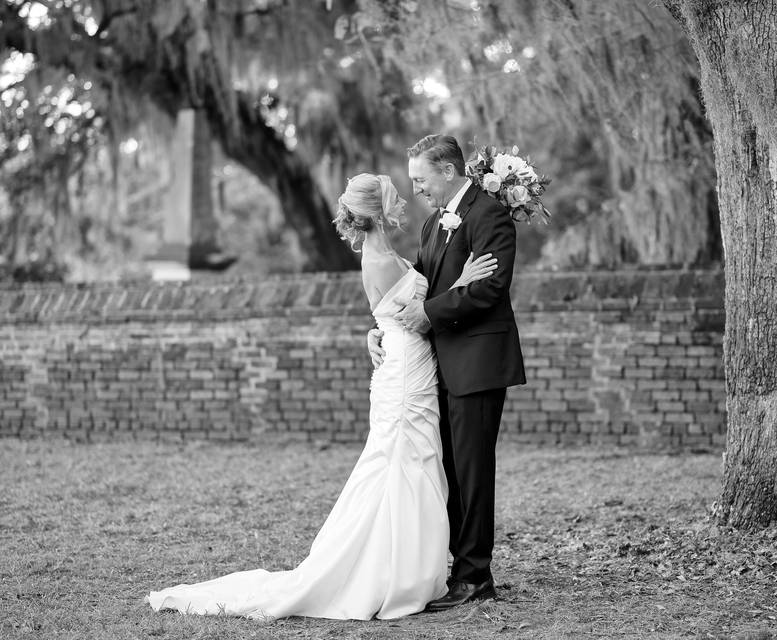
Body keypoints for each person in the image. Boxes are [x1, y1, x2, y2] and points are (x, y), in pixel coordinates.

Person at [146, 173, 497, 620]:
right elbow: (414, 315)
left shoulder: (387, 255)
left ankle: (414, 567)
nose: (402, 200)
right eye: (392, 195)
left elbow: (395, 312)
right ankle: (390, 572)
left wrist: (377, 329)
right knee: (400, 460)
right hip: (406, 369)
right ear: (376, 209)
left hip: (411, 363)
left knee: (415, 459)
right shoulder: (381, 260)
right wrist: (463, 279)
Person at [368, 134, 526, 612]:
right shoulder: (434, 223)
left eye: (420, 178)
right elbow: (416, 287)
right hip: (442, 365)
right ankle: (458, 565)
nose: (416, 188)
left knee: (473, 471)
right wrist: (378, 328)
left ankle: (476, 575)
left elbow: (491, 288)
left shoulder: (488, 214)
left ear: (449, 171)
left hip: (478, 364)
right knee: (451, 468)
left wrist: (431, 313)